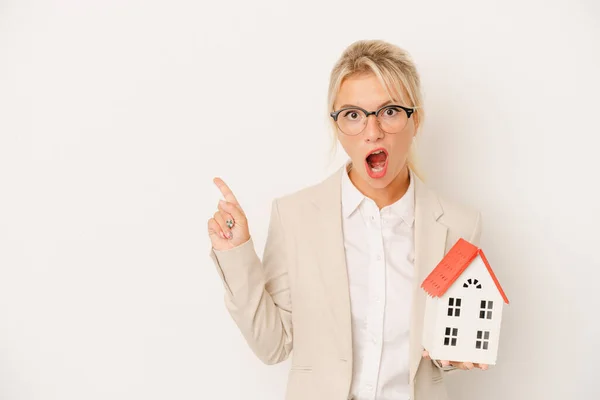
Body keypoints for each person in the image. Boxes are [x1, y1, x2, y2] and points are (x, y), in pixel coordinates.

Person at [207, 39, 486, 400]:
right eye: (353, 115)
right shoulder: (295, 217)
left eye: (389, 111)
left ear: (415, 120)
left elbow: (450, 343)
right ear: (337, 126)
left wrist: (458, 353)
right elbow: (272, 346)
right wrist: (237, 254)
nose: (372, 131)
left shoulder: (460, 226)